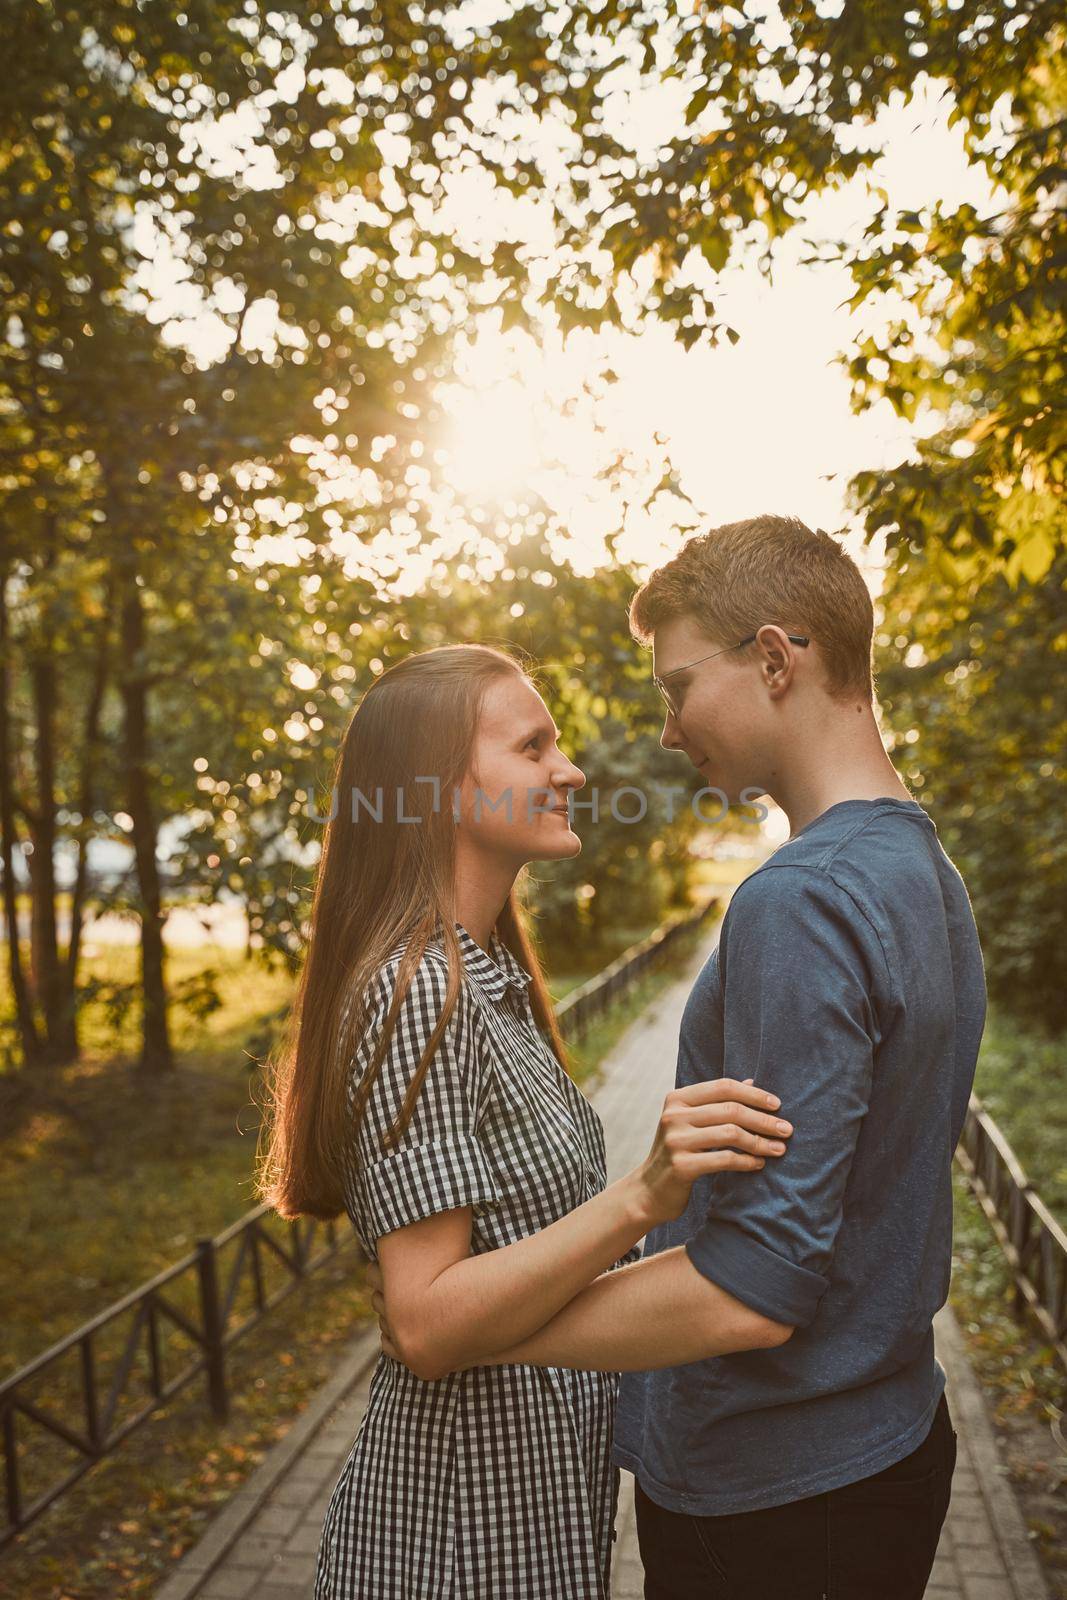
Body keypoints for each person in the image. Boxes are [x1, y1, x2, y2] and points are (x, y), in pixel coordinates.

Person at [375, 515, 987, 1600]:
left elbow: (750, 1288)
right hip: (887, 1438)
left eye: (674, 687)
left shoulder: (799, 898)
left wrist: (481, 1330)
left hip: (773, 1491)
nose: (663, 729)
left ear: (770, 656)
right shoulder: (919, 865)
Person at [258, 642, 796, 1600]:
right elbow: (423, 1322)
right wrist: (640, 1196)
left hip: (531, 1518)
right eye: (531, 747)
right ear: (437, 789)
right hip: (454, 1544)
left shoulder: (489, 983)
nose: (571, 769)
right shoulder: (416, 992)